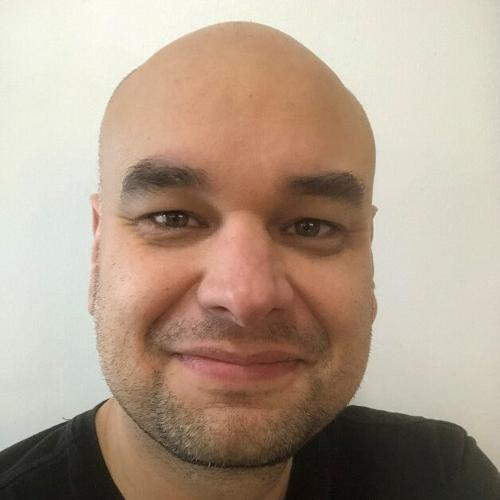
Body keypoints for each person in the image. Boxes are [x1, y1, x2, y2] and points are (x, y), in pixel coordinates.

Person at [0, 21, 498, 500]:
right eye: (173, 218)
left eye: (311, 226)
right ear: (98, 248)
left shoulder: (443, 476)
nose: (246, 297)